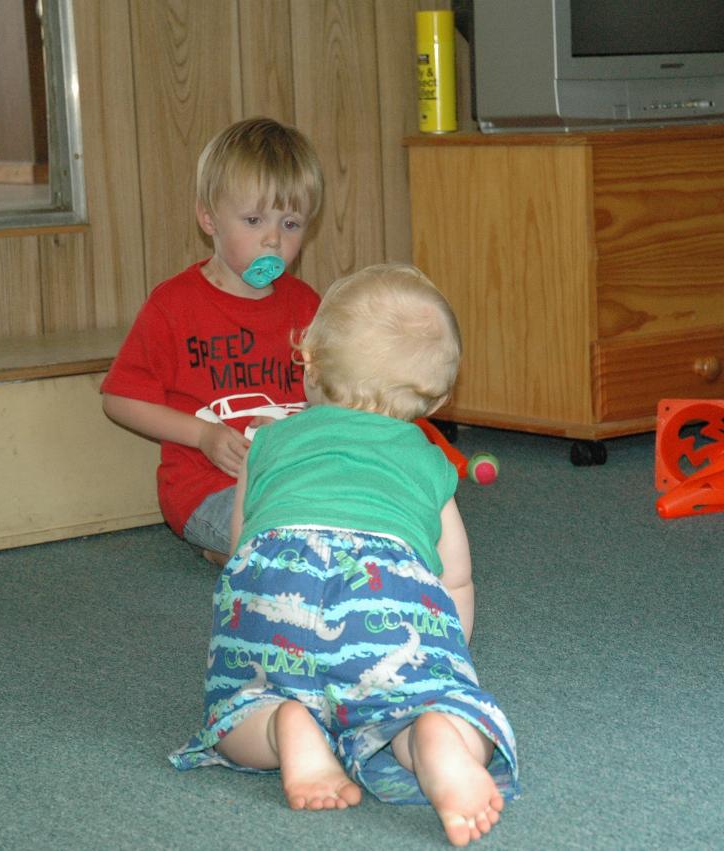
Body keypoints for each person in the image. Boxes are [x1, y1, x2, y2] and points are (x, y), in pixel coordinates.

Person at [169, 264, 519, 847]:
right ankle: (428, 734)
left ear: (306, 364)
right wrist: (443, 666)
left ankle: (286, 726)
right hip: (380, 601)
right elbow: (454, 577)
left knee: (235, 715)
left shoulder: (269, 440)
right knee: (437, 704)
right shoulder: (428, 461)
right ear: (438, 400)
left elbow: (240, 551)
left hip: (277, 596)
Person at [101, 117, 323, 563]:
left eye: (292, 224)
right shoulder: (174, 305)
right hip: (208, 489)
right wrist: (203, 435)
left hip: (292, 480)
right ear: (208, 218)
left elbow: (330, 397)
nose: (274, 239)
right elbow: (119, 399)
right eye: (254, 220)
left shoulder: (306, 305)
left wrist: (300, 428)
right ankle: (246, 553)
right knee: (284, 541)